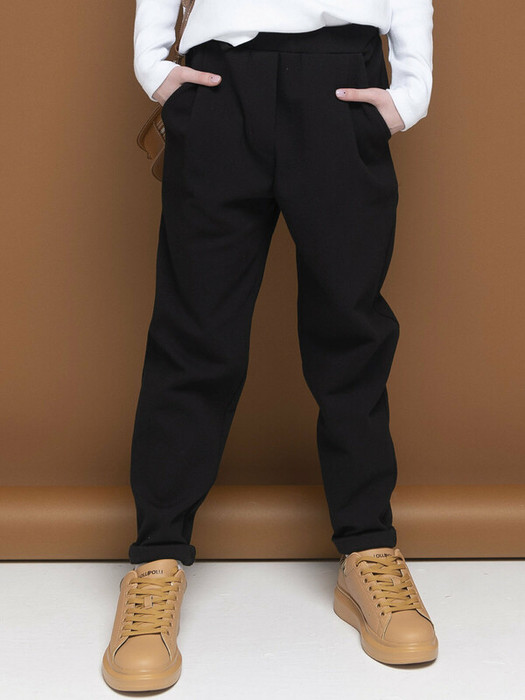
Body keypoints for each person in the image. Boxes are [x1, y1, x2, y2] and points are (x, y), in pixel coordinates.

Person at [102, 0, 437, 692]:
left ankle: (368, 550)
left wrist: (411, 91)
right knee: (194, 333)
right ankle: (157, 557)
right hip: (220, 87)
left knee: (351, 333)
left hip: (342, 85)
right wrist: (151, 64)